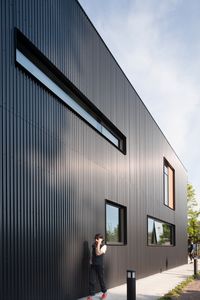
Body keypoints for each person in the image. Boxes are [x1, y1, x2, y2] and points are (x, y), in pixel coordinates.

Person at [87, 233, 107, 300]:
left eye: (97, 239)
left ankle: (104, 293)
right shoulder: (94, 245)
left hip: (99, 265)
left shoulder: (104, 246)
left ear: (101, 239)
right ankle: (90, 295)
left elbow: (98, 253)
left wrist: (99, 243)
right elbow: (93, 254)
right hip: (93, 265)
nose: (95, 240)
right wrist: (91, 260)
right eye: (95, 239)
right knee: (91, 280)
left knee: (101, 279)